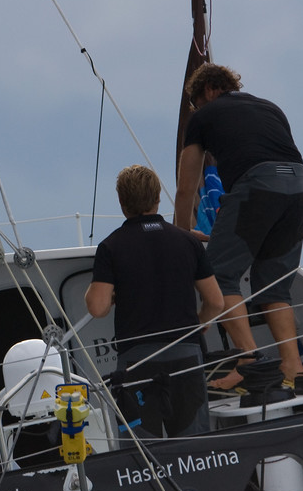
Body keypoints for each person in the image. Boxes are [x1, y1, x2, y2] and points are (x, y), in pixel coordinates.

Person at [174, 63, 303, 392]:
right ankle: (293, 368)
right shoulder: (270, 107)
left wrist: (182, 233)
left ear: (207, 91)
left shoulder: (204, 116)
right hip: (297, 186)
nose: (196, 110)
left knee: (219, 275)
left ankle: (248, 364)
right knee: (274, 284)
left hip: (256, 185)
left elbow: (186, 187)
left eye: (195, 103)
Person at [85, 164, 224, 438]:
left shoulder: (111, 247)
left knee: (142, 451)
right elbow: (216, 302)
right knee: (193, 446)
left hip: (137, 362)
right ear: (158, 198)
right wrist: (200, 324)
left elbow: (98, 307)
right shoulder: (188, 242)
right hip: (186, 354)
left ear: (122, 202)